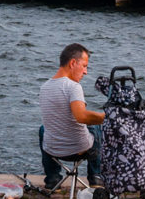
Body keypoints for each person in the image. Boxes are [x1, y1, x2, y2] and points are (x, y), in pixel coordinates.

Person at [39, 43, 104, 190]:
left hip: (53, 151)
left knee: (43, 129)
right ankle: (96, 177)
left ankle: (52, 179)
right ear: (73, 63)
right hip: (79, 150)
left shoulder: (44, 87)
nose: (86, 72)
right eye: (84, 66)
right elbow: (81, 117)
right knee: (98, 125)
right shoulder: (73, 87)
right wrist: (105, 117)